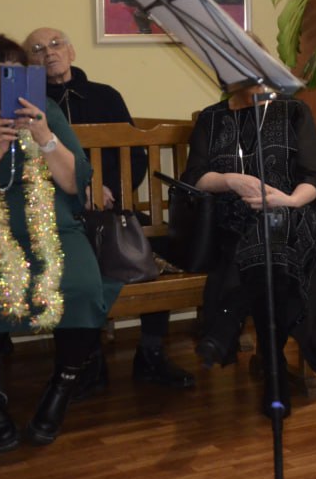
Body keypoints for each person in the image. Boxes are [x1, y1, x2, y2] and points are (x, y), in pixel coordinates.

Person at [0, 33, 121, 450]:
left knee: (83, 287)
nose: (9, 76)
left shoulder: (46, 112)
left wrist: (45, 136)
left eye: (16, 69)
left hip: (54, 229)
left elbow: (76, 183)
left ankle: (61, 387)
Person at [23, 26, 194, 391]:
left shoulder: (106, 95)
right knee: (65, 258)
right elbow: (26, 164)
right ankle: (86, 359)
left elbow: (135, 155)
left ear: (71, 51)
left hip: (111, 211)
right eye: (37, 49)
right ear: (28, 63)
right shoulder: (27, 107)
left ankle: (151, 353)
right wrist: (78, 190)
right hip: (57, 214)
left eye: (55, 44)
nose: (48, 52)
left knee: (153, 241)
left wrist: (109, 191)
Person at [183, 86, 316, 419]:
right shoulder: (212, 118)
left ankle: (229, 324)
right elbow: (194, 177)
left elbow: (315, 177)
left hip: (292, 218)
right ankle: (273, 366)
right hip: (231, 223)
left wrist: (288, 200)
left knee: (272, 232)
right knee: (265, 247)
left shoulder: (294, 111)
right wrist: (230, 181)